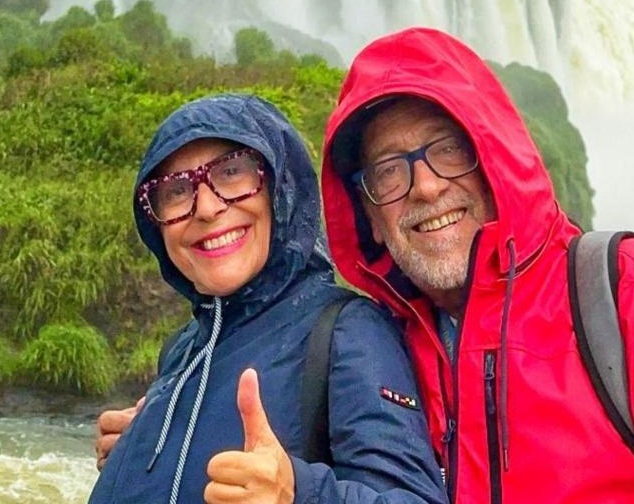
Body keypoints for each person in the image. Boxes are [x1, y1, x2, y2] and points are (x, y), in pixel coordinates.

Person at [321, 27, 634, 502]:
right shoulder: (372, 349)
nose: (425, 187)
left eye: (447, 149)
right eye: (389, 170)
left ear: (493, 160)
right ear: (370, 216)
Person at [89, 94, 447, 504]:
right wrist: (142, 455)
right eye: (175, 190)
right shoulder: (183, 350)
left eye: (232, 172)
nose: (205, 207)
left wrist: (298, 492)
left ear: (280, 189)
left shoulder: (348, 331)